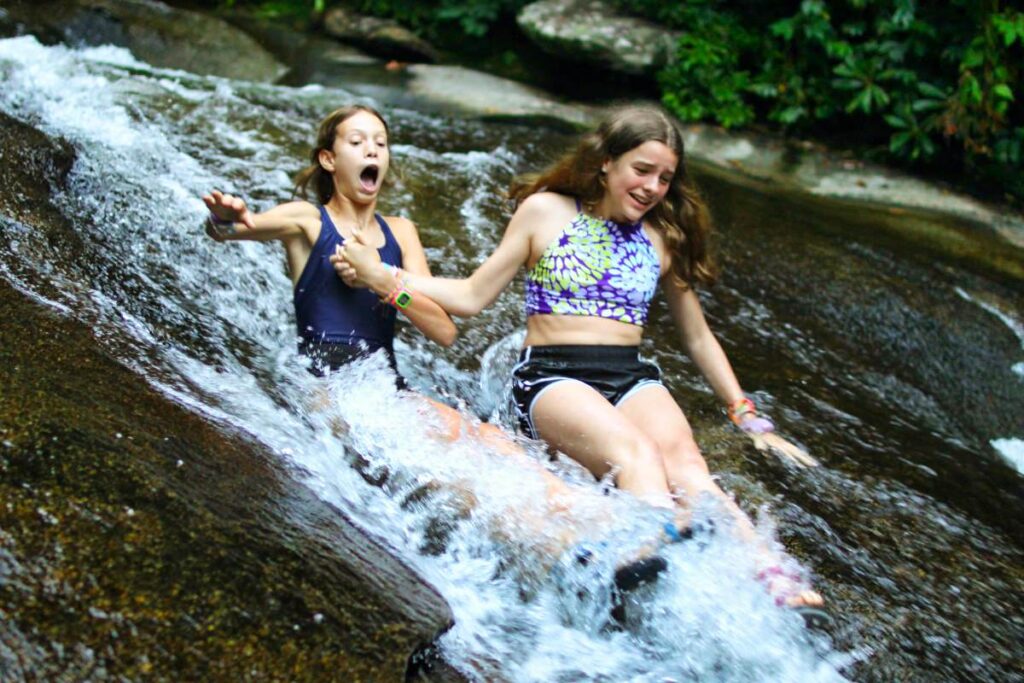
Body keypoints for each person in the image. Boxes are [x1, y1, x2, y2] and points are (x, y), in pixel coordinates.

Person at [336, 104, 826, 614]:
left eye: (665, 178)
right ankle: (648, 555)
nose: (653, 187)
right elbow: (470, 296)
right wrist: (385, 277)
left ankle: (769, 576)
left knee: (689, 467)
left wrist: (745, 414)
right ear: (606, 163)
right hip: (553, 376)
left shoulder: (664, 236)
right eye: (642, 170)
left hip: (629, 375)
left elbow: (697, 336)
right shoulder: (545, 211)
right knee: (635, 455)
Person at [200, 104, 669, 587]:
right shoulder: (307, 221)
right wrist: (225, 219)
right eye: (357, 142)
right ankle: (566, 554)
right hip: (329, 388)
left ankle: (611, 526)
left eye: (380, 143)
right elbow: (237, 228)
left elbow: (443, 330)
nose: (372, 151)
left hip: (385, 387)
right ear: (328, 159)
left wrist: (383, 282)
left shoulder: (400, 233)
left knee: (493, 444)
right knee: (452, 470)